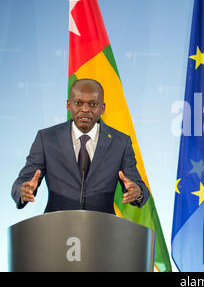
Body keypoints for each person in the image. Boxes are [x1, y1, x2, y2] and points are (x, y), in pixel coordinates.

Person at [12, 78, 149, 214]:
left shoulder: (120, 142)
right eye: (78, 103)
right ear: (68, 105)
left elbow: (137, 185)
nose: (85, 109)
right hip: (56, 229)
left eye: (93, 104)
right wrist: (23, 190)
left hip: (103, 230)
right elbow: (22, 182)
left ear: (102, 108)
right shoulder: (46, 138)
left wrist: (137, 192)